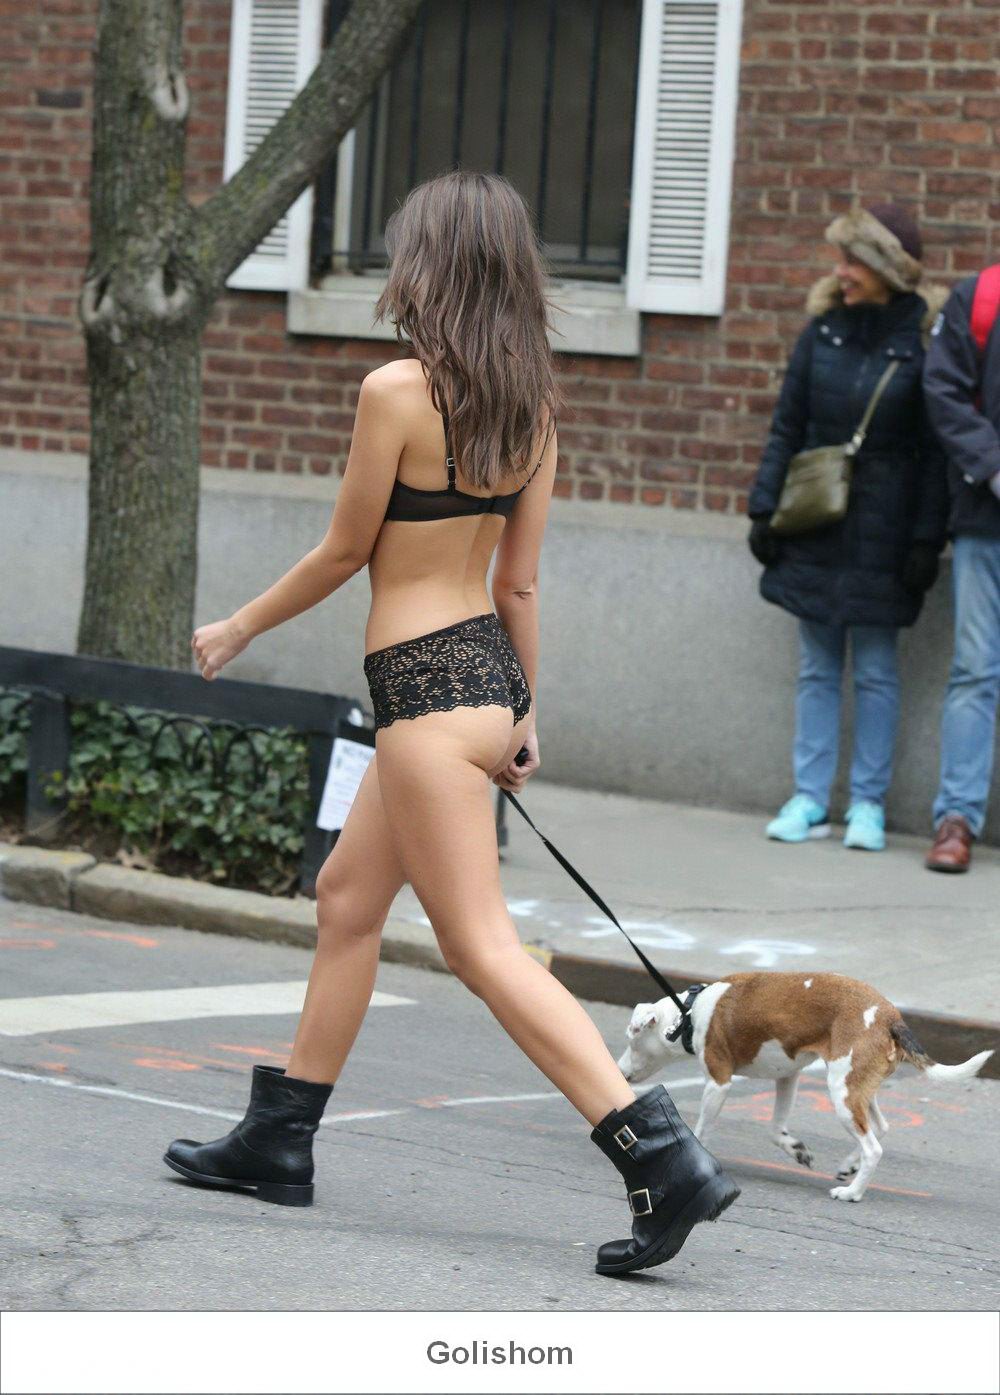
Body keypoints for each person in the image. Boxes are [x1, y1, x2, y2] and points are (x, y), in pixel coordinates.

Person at [161, 172, 739, 1275]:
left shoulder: (395, 391)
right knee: (347, 900)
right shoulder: (532, 409)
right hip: (478, 682)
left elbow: (346, 550)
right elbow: (517, 585)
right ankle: (278, 1138)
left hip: (423, 694)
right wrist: (524, 712)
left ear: (430, 266)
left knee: (480, 948)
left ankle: (661, 1158)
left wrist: (237, 625)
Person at [747, 203, 949, 852]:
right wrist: (763, 508)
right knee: (817, 665)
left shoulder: (922, 340)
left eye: (852, 261)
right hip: (816, 519)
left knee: (877, 670)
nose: (840, 271)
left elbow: (935, 454)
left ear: (887, 269)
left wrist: (926, 540)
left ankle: (867, 804)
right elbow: (787, 426)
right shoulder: (822, 332)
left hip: (886, 530)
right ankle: (809, 798)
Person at [922, 264, 1000, 872]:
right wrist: (993, 466)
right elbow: (943, 387)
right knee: (975, 668)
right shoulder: (981, 297)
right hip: (987, 517)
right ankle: (957, 818)